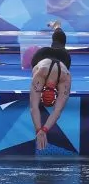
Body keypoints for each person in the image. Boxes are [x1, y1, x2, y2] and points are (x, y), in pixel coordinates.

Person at [30, 21, 73, 151]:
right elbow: (38, 109)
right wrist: (42, 130)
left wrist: (41, 130)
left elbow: (36, 108)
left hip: (52, 59)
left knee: (59, 43)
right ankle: (57, 26)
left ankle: (57, 27)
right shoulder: (64, 78)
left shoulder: (65, 78)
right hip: (43, 59)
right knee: (58, 42)